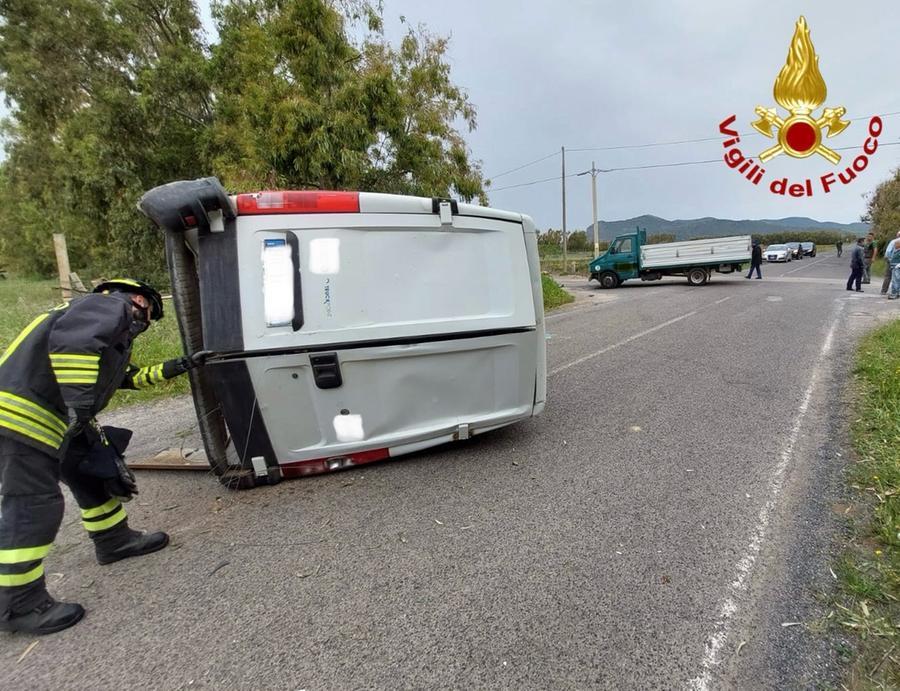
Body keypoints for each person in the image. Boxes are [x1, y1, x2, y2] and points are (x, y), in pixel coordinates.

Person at [0, 278, 209, 635]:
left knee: (92, 471)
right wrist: (80, 403)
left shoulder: (97, 324)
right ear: (141, 300)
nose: (144, 326)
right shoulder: (110, 306)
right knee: (34, 504)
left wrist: (181, 365)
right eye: (149, 316)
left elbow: (126, 378)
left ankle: (114, 540)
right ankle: (18, 603)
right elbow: (73, 346)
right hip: (23, 418)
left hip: (57, 418)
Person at [886, 233, 900, 300]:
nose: (895, 245)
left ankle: (894, 293)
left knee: (895, 280)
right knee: (896, 279)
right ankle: (897, 293)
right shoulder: (896, 251)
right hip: (894, 265)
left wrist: (898, 265)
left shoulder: (898, 251)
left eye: (896, 244)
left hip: (896, 266)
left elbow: (888, 254)